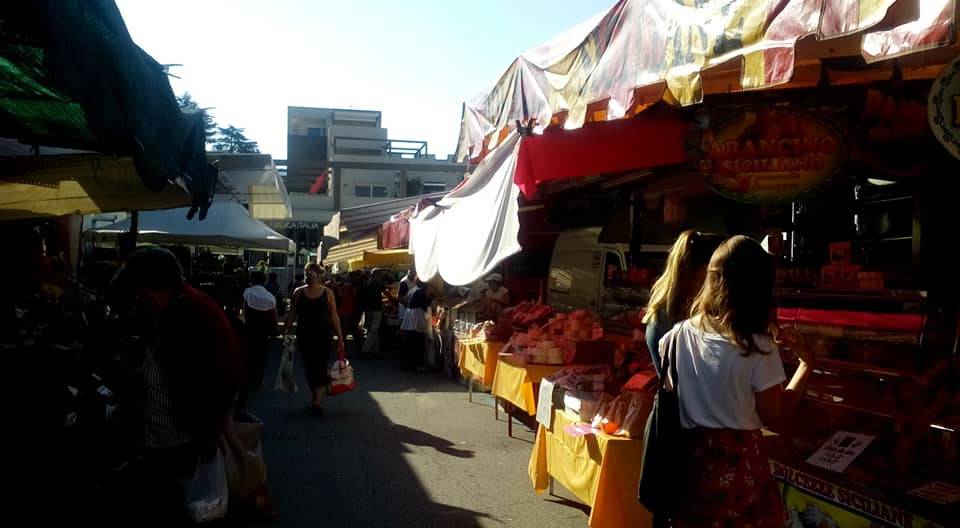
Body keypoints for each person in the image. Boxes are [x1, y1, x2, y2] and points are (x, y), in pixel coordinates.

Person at [658, 235, 814, 528]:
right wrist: (807, 364)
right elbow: (777, 414)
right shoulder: (757, 347)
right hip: (739, 471)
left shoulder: (676, 336)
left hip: (690, 466)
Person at [111, 247, 243, 525]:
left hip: (180, 439)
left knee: (176, 507)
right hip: (180, 435)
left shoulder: (187, 312)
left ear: (153, 285)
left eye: (141, 290)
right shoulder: (185, 305)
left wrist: (207, 433)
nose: (139, 298)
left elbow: (203, 380)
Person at [642, 230, 724, 375]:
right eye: (718, 275)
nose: (720, 282)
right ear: (704, 271)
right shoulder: (663, 321)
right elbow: (677, 382)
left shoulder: (709, 309)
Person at [283, 262, 345, 414]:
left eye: (312, 273)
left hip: (324, 334)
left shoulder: (328, 293)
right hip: (305, 334)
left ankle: (317, 401)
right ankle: (315, 396)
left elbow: (334, 315)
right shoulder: (298, 292)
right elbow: (292, 313)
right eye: (307, 274)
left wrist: (340, 338)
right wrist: (286, 330)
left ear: (319, 274)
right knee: (309, 366)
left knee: (321, 365)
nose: (309, 276)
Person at [241, 271, 278, 402]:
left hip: (251, 327)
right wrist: (275, 329)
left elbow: (244, 310)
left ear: (252, 280)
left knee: (249, 352)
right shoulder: (270, 297)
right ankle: (258, 378)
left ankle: (248, 376)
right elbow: (274, 315)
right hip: (264, 329)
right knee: (262, 354)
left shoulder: (248, 292)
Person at [400, 278, 432, 369]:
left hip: (411, 316)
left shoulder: (413, 290)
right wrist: (429, 298)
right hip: (417, 317)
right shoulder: (420, 292)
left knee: (411, 340)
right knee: (418, 340)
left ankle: (408, 363)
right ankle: (417, 364)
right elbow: (425, 305)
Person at [360, 269, 387, 358]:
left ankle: (375, 350)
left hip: (368, 309)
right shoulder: (376, 283)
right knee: (374, 330)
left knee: (372, 329)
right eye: (380, 274)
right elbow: (383, 291)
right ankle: (366, 350)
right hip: (375, 308)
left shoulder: (367, 282)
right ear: (376, 275)